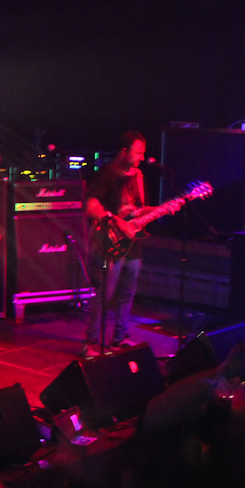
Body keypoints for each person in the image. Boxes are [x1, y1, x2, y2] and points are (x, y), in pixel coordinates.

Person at [83, 131, 148, 358]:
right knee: (105, 293)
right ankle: (91, 341)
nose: (141, 157)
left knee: (128, 292)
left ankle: (120, 337)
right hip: (110, 241)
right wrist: (115, 220)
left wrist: (164, 210)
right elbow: (91, 206)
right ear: (124, 152)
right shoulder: (107, 174)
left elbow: (140, 209)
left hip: (133, 243)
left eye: (143, 153)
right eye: (137, 153)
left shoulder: (138, 176)